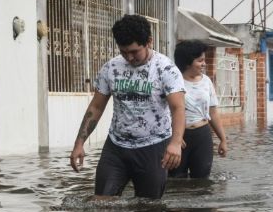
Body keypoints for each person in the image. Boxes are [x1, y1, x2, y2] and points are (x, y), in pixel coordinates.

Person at [69, 14, 185, 199]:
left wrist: (176, 143)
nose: (129, 58)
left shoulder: (165, 69)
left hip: (153, 147)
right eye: (124, 52)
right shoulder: (111, 68)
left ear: (149, 41)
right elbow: (96, 107)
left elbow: (178, 108)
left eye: (134, 51)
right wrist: (79, 143)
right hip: (116, 147)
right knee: (102, 205)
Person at [169, 39, 228, 179]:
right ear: (188, 62)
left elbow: (213, 112)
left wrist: (223, 139)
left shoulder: (206, 81)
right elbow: (163, 112)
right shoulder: (173, 82)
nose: (204, 64)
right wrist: (174, 136)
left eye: (204, 60)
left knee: (202, 180)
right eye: (200, 61)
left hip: (202, 135)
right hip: (180, 136)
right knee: (176, 179)